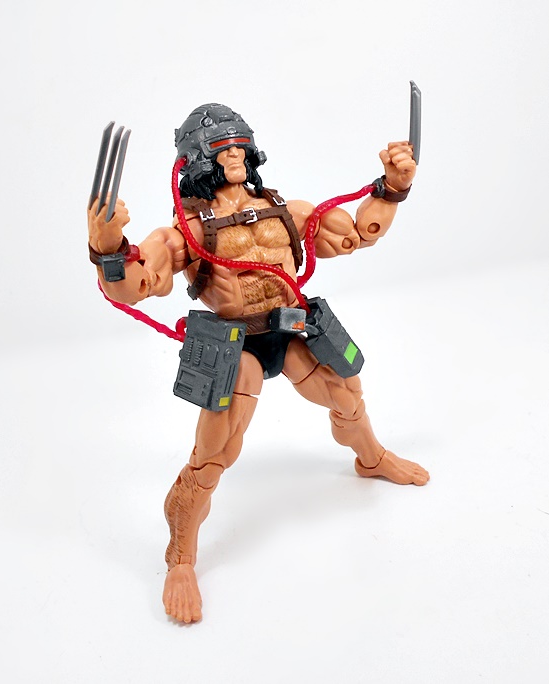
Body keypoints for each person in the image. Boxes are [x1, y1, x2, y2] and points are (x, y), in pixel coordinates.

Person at [87, 103, 429, 623]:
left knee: (346, 392)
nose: (232, 154)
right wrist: (108, 246)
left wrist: (393, 187)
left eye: (238, 144)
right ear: (196, 159)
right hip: (236, 343)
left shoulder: (285, 210)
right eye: (219, 147)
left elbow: (357, 233)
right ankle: (181, 559)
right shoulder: (187, 231)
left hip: (288, 328)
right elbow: (136, 286)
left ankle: (371, 458)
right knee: (214, 453)